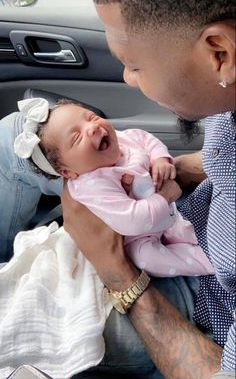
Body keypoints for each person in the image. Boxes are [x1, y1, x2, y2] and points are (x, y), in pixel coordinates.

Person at [60, 0, 235, 379]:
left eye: (135, 64)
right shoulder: (228, 103)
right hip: (183, 221)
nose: (126, 79)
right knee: (15, 134)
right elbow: (224, 161)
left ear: (219, 53)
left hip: (198, 301)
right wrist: (158, 169)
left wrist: (118, 274)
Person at [14, 97, 214, 278]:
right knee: (147, 259)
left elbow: (144, 139)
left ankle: (216, 245)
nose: (92, 128)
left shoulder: (119, 140)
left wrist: (161, 158)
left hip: (168, 215)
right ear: (67, 172)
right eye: (76, 138)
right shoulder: (91, 186)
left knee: (192, 230)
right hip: (137, 236)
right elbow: (134, 221)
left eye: (91, 117)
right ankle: (208, 263)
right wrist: (164, 197)